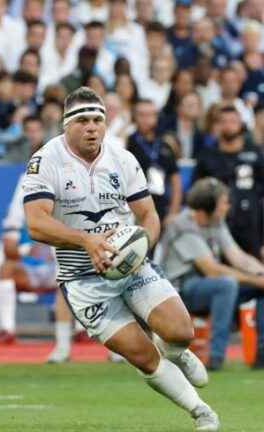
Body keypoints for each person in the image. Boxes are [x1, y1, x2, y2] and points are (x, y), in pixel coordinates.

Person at [21, 87, 219, 431]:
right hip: (83, 280)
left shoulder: (123, 158)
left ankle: (176, 350)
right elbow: (36, 223)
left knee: (181, 331)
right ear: (66, 125)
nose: (91, 127)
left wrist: (140, 248)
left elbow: (149, 214)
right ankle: (202, 412)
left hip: (130, 265)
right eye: (82, 120)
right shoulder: (45, 161)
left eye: (98, 120)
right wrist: (87, 241)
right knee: (143, 356)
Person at [158, 178, 264, 370]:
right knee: (226, 284)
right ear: (207, 207)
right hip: (179, 291)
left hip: (206, 284)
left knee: (250, 288)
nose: (228, 206)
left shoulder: (216, 221)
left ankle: (262, 355)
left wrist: (261, 273)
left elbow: (238, 256)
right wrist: (256, 280)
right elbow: (211, 269)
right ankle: (215, 357)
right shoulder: (182, 226)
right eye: (224, 202)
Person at [193, 106, 264, 259]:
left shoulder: (256, 154)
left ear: (241, 124)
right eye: (223, 121)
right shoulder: (207, 156)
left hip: (251, 224)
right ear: (216, 125)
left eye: (233, 121)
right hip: (216, 224)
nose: (228, 125)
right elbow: (196, 193)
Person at [126, 99, 182, 223]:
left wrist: (173, 211)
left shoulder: (167, 142)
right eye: (142, 114)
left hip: (162, 204)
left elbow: (176, 180)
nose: (146, 119)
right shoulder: (128, 142)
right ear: (134, 116)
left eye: (150, 114)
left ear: (156, 116)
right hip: (136, 205)